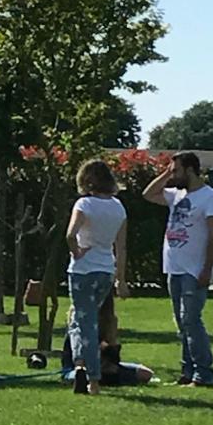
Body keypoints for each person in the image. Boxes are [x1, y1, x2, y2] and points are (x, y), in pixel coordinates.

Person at [142, 151, 213, 387]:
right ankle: (187, 372)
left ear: (190, 170)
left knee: (191, 320)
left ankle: (203, 374)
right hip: (174, 267)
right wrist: (166, 172)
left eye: (176, 171)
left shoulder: (211, 198)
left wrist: (206, 269)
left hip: (194, 269)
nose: (173, 176)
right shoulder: (176, 195)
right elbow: (148, 194)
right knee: (181, 322)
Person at [66, 159, 130, 395]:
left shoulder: (84, 204)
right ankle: (80, 365)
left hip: (83, 270)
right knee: (80, 320)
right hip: (105, 270)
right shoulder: (118, 207)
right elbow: (121, 247)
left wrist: (76, 252)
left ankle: (91, 376)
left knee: (86, 324)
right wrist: (121, 279)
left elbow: (70, 235)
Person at [61, 291, 154, 387]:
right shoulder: (79, 323)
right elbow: (79, 358)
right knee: (82, 374)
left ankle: (104, 379)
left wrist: (111, 340)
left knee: (145, 373)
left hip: (104, 366)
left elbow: (114, 359)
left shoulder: (107, 323)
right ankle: (98, 380)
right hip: (77, 368)